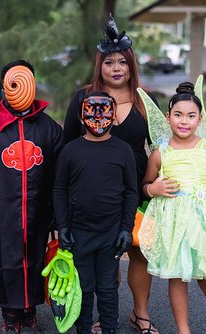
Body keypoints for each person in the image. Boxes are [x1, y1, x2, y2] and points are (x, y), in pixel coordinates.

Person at [63, 14, 160, 333]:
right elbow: (65, 146)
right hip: (93, 192)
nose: (116, 68)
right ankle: (101, 315)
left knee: (139, 253)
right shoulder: (82, 98)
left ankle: (140, 314)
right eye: (109, 62)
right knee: (103, 257)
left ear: (131, 65)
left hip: (137, 189)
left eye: (123, 62)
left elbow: (162, 147)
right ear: (99, 65)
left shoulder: (146, 101)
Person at [0, 60, 64, 334]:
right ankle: (10, 313)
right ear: (4, 87)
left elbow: (59, 174)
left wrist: (56, 215)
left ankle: (29, 309)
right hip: (2, 212)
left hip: (36, 212)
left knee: (34, 259)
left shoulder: (49, 128)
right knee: (5, 259)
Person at [139, 81, 206, 334]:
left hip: (203, 223)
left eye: (191, 116)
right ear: (168, 117)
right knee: (177, 279)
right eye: (178, 115)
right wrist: (153, 189)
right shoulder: (160, 153)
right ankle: (184, 330)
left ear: (200, 119)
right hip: (175, 225)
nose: (184, 121)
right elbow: (145, 185)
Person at [54, 92, 137, 334]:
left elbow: (131, 192)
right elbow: (59, 189)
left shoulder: (123, 151)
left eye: (104, 111)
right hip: (79, 231)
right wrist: (63, 226)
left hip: (111, 233)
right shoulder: (70, 151)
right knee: (83, 286)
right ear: (81, 115)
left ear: (114, 116)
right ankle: (83, 328)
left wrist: (126, 228)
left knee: (108, 287)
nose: (98, 117)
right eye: (92, 111)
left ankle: (109, 328)